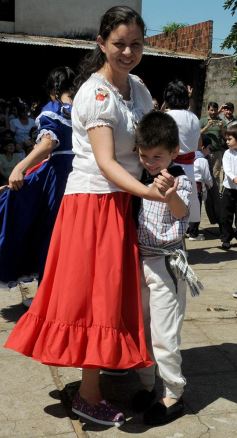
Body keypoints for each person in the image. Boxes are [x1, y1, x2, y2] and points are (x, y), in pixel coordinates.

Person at [5, 6, 174, 427]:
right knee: (94, 298)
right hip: (94, 204)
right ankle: (88, 393)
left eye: (136, 43)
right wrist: (147, 190)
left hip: (122, 200)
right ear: (101, 44)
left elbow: (146, 140)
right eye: (119, 44)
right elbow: (104, 162)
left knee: (113, 294)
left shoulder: (137, 87)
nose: (129, 51)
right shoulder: (94, 93)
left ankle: (105, 366)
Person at [131, 111, 202, 426]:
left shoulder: (180, 179)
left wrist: (171, 194)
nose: (150, 162)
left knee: (164, 333)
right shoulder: (138, 175)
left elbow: (182, 213)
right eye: (144, 155)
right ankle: (147, 385)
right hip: (139, 263)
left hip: (167, 265)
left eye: (157, 156)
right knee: (143, 328)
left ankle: (173, 393)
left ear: (174, 152)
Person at [0, 66, 75, 294]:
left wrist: (19, 167)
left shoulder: (53, 108)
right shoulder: (83, 108)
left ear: (53, 88)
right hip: (82, 174)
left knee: (48, 232)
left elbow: (48, 144)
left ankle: (49, 292)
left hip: (59, 177)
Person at [163, 79, 201, 224]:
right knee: (186, 208)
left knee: (170, 210)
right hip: (190, 168)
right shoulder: (194, 117)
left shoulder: (168, 117)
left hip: (171, 168)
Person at [188, 138, 213, 240]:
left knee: (187, 210)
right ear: (203, 147)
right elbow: (207, 177)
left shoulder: (189, 156)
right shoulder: (202, 160)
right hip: (196, 188)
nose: (210, 151)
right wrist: (210, 185)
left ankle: (188, 230)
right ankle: (194, 234)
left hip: (186, 186)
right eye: (209, 148)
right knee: (195, 211)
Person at [200, 101, 226, 190]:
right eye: (211, 110)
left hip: (217, 152)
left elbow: (225, 136)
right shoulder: (203, 120)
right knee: (205, 173)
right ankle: (205, 192)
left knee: (216, 174)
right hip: (205, 152)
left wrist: (222, 127)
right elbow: (197, 133)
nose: (214, 112)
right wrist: (207, 126)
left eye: (215, 110)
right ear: (208, 110)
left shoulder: (221, 121)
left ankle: (215, 193)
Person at [220, 122, 237, 250]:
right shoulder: (227, 153)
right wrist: (233, 177)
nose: (227, 142)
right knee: (225, 216)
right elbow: (227, 168)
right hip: (229, 189)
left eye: (230, 139)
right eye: (226, 139)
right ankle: (226, 239)